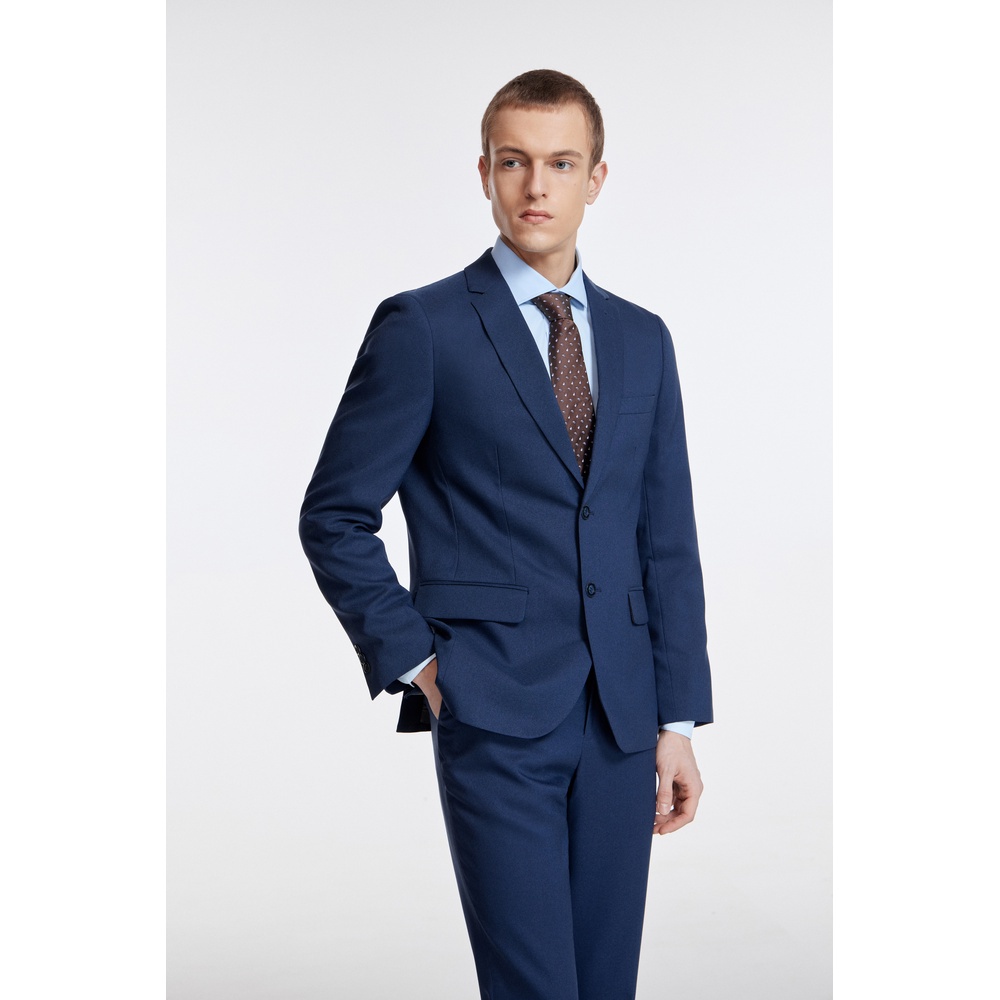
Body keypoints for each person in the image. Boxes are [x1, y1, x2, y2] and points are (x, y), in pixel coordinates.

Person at [299, 68, 712, 1000]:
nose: (536, 186)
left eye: (561, 163)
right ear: (484, 172)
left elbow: (666, 539)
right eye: (515, 161)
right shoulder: (425, 327)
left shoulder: (643, 338)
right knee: (533, 986)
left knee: (605, 984)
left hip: (623, 719)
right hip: (492, 707)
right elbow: (334, 515)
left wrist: (677, 719)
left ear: (596, 178)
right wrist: (423, 665)